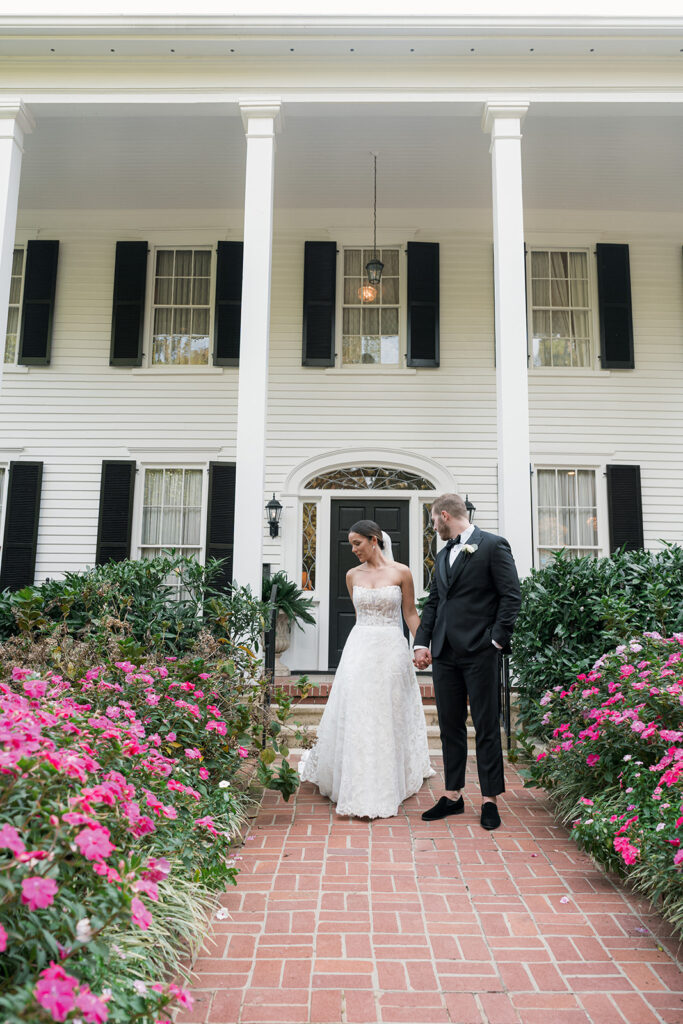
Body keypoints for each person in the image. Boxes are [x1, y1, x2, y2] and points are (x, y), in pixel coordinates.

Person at [298, 520, 434, 818]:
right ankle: (356, 775)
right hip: (360, 647)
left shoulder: (402, 572)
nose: (354, 550)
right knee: (359, 708)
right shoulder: (351, 576)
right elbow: (362, 615)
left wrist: (421, 645)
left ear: (374, 540)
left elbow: (409, 613)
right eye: (351, 544)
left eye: (357, 543)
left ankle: (391, 773)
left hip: (391, 649)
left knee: (389, 709)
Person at [414, 494, 521, 831]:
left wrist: (496, 640)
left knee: (487, 725)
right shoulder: (443, 553)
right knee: (450, 725)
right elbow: (434, 603)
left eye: (433, 521)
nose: (434, 528)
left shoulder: (492, 545)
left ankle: (490, 800)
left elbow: (511, 595)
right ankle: (452, 795)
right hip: (444, 653)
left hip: (480, 650)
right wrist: (421, 642)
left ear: (445, 515)